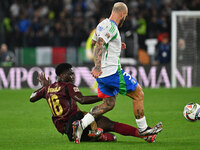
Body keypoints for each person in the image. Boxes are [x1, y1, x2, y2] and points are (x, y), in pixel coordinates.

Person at [73, 2, 162, 144]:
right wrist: (97, 66)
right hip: (111, 72)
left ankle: (81, 124)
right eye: (125, 16)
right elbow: (99, 43)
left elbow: (94, 42)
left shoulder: (102, 24)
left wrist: (115, 44)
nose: (125, 18)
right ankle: (143, 129)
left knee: (108, 104)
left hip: (103, 76)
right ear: (122, 14)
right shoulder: (111, 26)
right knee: (138, 94)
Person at [30, 63, 158, 143]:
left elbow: (32, 97)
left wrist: (44, 87)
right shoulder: (67, 86)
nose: (73, 77)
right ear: (62, 75)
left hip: (67, 131)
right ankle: (144, 135)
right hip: (78, 121)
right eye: (70, 74)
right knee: (111, 127)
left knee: (110, 133)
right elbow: (82, 100)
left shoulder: (48, 89)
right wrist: (102, 97)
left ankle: (97, 135)